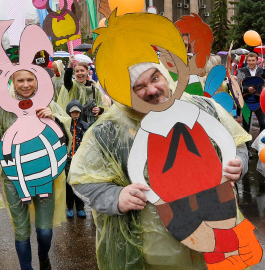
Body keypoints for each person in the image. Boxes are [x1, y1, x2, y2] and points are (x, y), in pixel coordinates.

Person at [70, 12, 253, 269]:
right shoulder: (108, 130)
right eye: (139, 87)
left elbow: (237, 142)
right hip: (152, 250)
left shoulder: (202, 106)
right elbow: (83, 180)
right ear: (124, 91)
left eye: (154, 78)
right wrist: (117, 198)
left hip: (215, 225)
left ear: (164, 74)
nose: (152, 90)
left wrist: (238, 163)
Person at [0, 70, 69, 270]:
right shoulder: (4, 110)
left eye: (30, 79)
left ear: (37, 81)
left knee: (44, 231)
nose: (25, 85)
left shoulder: (48, 104)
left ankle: (43, 256)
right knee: (21, 231)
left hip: (44, 176)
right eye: (20, 80)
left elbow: (64, 141)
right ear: (13, 81)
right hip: (14, 179)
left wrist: (54, 119)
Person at [57, 56, 106, 123]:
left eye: (82, 70)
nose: (80, 73)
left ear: (87, 71)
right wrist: (70, 65)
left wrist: (99, 110)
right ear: (74, 73)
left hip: (90, 123)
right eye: (77, 71)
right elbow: (67, 80)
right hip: (75, 123)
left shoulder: (95, 89)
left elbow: (103, 106)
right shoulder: (72, 86)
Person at [64, 99, 87, 218]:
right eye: (72, 112)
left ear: (80, 112)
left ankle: (80, 208)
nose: (74, 114)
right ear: (69, 112)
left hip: (79, 160)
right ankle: (69, 207)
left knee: (79, 183)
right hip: (67, 159)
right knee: (68, 184)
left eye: (77, 112)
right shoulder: (65, 125)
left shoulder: (84, 126)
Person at [237, 52, 265, 134]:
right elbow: (237, 87)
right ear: (247, 61)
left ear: (257, 61)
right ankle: (247, 145)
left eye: (253, 60)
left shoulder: (261, 71)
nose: (251, 62)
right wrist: (247, 89)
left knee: (263, 123)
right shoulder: (241, 71)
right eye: (249, 60)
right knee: (246, 125)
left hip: (259, 100)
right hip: (246, 100)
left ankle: (259, 142)